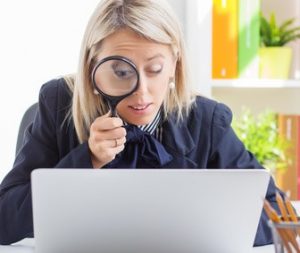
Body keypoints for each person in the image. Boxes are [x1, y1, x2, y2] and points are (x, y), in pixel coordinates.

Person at [0, 0, 283, 246]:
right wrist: (87, 159)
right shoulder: (58, 102)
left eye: (155, 70)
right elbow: (5, 219)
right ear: (91, 68)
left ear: (175, 64)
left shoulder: (207, 121)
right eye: (121, 71)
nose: (142, 92)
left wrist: (194, 224)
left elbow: (278, 215)